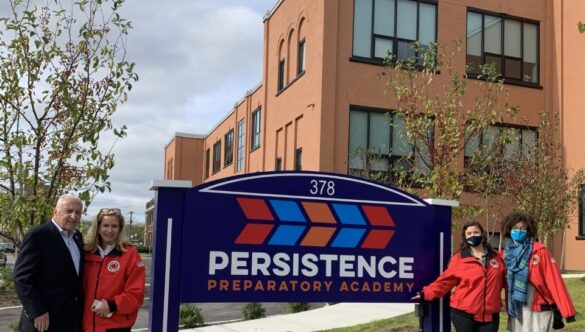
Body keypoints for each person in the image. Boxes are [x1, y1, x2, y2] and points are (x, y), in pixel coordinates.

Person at [411, 221, 506, 332]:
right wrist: (426, 293)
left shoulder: (497, 257)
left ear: (482, 234)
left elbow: (505, 281)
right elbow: (445, 281)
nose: (473, 235)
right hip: (464, 315)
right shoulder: (459, 258)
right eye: (469, 233)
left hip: (491, 316)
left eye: (476, 232)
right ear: (465, 237)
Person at [13, 194, 84, 332]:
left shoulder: (77, 237)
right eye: (69, 211)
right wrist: (37, 311)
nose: (74, 216)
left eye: (78, 212)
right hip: (43, 322)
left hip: (69, 320)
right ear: (55, 211)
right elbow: (22, 279)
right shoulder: (38, 236)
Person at [501, 212, 576, 331]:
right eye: (515, 228)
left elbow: (554, 281)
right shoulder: (505, 255)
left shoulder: (540, 251)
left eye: (523, 228)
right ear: (509, 230)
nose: (519, 231)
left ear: (529, 230)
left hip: (538, 307)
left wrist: (568, 311)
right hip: (517, 309)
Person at [83, 208, 145, 332]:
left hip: (116, 326)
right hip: (87, 326)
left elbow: (136, 292)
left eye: (114, 226)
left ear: (120, 229)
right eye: (105, 225)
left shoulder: (130, 254)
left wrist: (112, 305)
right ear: (98, 228)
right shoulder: (86, 252)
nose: (109, 230)